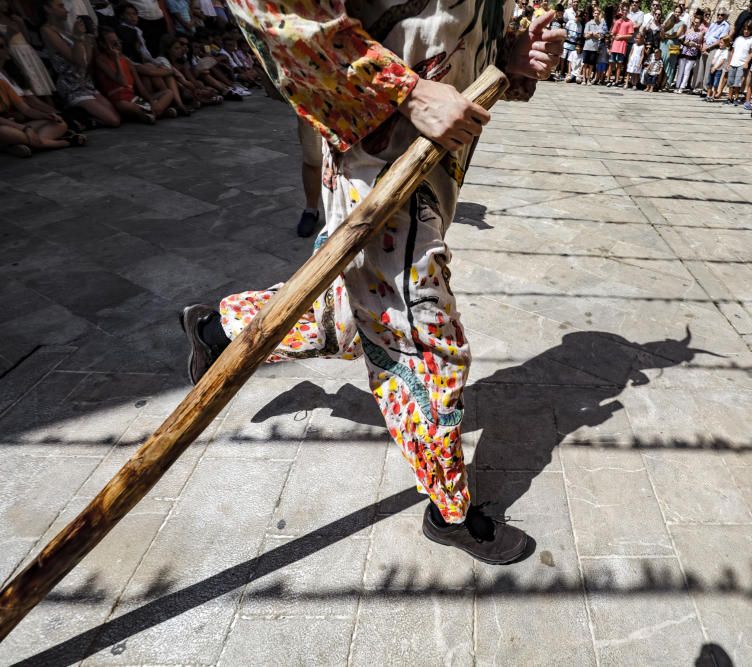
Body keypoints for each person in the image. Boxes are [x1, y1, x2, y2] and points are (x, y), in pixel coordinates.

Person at [180, 3, 565, 565]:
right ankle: (450, 513)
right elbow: (278, 11)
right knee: (429, 348)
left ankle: (219, 329)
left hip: (429, 170)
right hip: (376, 165)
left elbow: (449, 35)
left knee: (348, 318)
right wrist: (404, 91)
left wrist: (509, 58)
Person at [41, 0, 121, 128]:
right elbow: (76, 60)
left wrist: (87, 40)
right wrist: (78, 38)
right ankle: (79, 118)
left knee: (116, 116)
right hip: (71, 86)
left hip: (86, 83)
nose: (66, 10)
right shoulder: (47, 31)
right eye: (60, 6)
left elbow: (85, 62)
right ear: (48, 9)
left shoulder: (67, 30)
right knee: (113, 120)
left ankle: (84, 118)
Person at [0, 37, 81, 157]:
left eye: (3, 46)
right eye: (1, 47)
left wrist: (47, 115)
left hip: (16, 124)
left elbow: (26, 108)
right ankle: (63, 142)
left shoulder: (4, 82)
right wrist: (23, 127)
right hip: (7, 126)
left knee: (59, 124)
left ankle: (28, 144)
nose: (5, 50)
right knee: (4, 131)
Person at [94, 26, 176, 122]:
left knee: (168, 93)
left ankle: (152, 113)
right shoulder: (101, 60)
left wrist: (150, 100)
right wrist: (116, 59)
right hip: (118, 100)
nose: (118, 45)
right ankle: (156, 113)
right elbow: (122, 81)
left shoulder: (127, 61)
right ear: (103, 44)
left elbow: (140, 87)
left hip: (133, 98)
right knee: (126, 106)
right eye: (113, 43)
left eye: (118, 42)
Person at [0, 0, 56, 99]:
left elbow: (28, 39)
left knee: (41, 80)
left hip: (28, 50)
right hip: (16, 52)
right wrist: (10, 32)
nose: (5, 4)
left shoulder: (12, 18)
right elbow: (4, 44)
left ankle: (52, 107)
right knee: (30, 81)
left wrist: (21, 24)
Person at [697, 7, 730, 95]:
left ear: (725, 16)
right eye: (718, 14)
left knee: (708, 69)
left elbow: (721, 39)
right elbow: (706, 35)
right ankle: (699, 88)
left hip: (713, 48)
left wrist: (708, 47)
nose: (719, 16)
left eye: (722, 15)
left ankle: (706, 89)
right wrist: (704, 46)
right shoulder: (714, 24)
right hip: (706, 46)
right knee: (702, 68)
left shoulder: (725, 26)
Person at [726, 19, 752, 104]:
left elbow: (751, 52)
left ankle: (736, 97)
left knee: (737, 82)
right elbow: (732, 51)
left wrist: (746, 62)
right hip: (733, 62)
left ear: (751, 30)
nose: (746, 31)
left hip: (741, 63)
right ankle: (729, 97)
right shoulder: (738, 38)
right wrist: (729, 62)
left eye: (748, 29)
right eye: (745, 29)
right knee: (730, 81)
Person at [674, 12, 703, 92]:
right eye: (695, 22)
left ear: (700, 23)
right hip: (684, 52)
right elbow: (682, 40)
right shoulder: (688, 30)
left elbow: (700, 46)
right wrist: (685, 42)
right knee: (680, 70)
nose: (696, 24)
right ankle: (677, 86)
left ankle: (682, 87)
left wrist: (694, 44)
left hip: (692, 54)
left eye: (698, 22)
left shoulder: (700, 33)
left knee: (687, 71)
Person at [608, 5, 633, 86]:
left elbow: (630, 35)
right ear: (621, 12)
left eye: (626, 10)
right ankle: (608, 79)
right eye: (623, 10)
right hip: (615, 44)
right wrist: (613, 39)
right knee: (611, 63)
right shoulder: (618, 21)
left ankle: (616, 80)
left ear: (628, 12)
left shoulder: (630, 22)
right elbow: (612, 33)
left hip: (622, 45)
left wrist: (621, 36)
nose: (624, 12)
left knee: (619, 64)